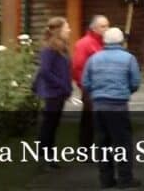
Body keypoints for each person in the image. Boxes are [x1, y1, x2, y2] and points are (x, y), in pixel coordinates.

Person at [82, 27, 141, 189]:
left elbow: (85, 82)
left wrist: (96, 92)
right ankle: (125, 178)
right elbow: (135, 82)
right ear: (121, 41)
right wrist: (125, 91)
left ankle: (106, 179)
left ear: (104, 41)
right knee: (122, 143)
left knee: (103, 142)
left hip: (99, 105)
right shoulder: (129, 58)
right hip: (118, 105)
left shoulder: (94, 59)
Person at [33, 16, 72, 170]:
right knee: (48, 126)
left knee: (53, 125)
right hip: (52, 93)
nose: (69, 30)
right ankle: (43, 159)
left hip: (59, 93)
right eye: (66, 27)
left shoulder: (61, 48)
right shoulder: (49, 49)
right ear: (59, 30)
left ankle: (50, 157)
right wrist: (62, 84)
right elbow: (45, 71)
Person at [72, 14, 108, 147]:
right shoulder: (84, 44)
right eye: (103, 26)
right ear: (94, 28)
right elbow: (77, 67)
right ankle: (85, 150)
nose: (106, 29)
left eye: (107, 26)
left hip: (103, 88)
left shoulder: (104, 43)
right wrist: (84, 86)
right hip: (90, 89)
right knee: (89, 121)